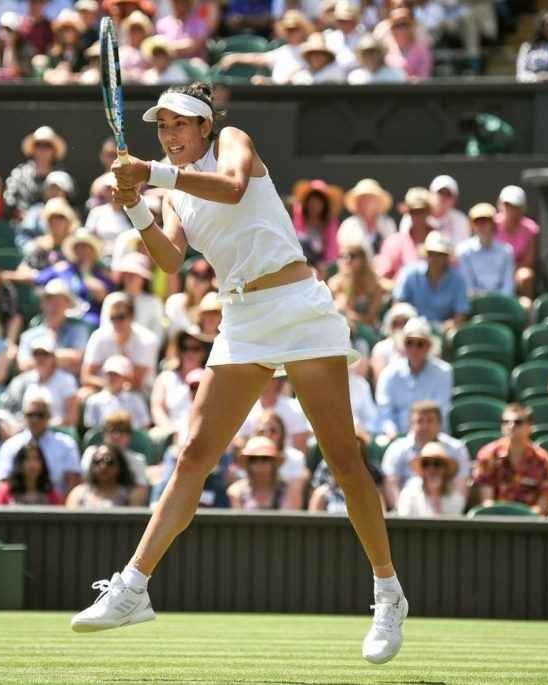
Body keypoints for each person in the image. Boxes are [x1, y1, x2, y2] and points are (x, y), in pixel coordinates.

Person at [71, 82, 408, 663]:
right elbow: (170, 259)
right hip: (242, 319)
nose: (170, 135)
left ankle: (388, 593)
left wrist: (150, 173)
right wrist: (134, 204)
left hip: (297, 306)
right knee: (192, 454)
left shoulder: (232, 142)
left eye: (180, 124)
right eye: (162, 127)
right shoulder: (172, 192)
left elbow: (230, 188)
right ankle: (133, 587)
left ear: (206, 125)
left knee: (344, 460)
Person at [380, 399, 469, 509]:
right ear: (411, 424)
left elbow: (461, 486)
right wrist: (403, 513)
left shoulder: (456, 448)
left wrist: (451, 511)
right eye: (419, 421)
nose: (425, 426)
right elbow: (391, 484)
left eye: (430, 421)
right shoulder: (396, 449)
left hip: (448, 510)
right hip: (407, 510)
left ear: (439, 424)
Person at [473, 403, 548, 514]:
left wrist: (521, 519)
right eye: (505, 422)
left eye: (518, 422)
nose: (511, 426)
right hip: (495, 518)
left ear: (530, 427)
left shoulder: (544, 461)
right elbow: (487, 502)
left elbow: (543, 507)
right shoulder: (488, 455)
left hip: (530, 521)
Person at [375, 317, 452, 436]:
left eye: (420, 344)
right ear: (403, 345)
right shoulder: (389, 373)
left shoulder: (444, 371)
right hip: (397, 437)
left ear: (429, 346)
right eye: (409, 343)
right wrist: (392, 433)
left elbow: (440, 411)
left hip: (433, 436)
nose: (414, 349)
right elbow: (384, 412)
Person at [0, 389, 81, 495]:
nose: (34, 420)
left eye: (40, 415)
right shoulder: (11, 445)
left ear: (49, 416)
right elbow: (3, 483)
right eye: (30, 415)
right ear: (23, 416)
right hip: (18, 503)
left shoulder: (66, 444)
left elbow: (73, 483)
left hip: (57, 503)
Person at [81, 293, 159, 394]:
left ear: (132, 317)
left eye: (121, 317)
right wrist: (109, 386)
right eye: (113, 318)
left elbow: (136, 383)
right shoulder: (98, 337)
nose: (116, 322)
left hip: (138, 394)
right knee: (83, 394)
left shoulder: (147, 339)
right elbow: (86, 377)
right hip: (103, 390)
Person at [394, 232, 469, 331]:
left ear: (447, 257)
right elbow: (398, 304)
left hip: (443, 330)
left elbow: (461, 313)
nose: (434, 258)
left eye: (439, 254)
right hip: (410, 329)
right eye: (431, 253)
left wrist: (451, 324)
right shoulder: (410, 274)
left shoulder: (458, 281)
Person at [0, 335, 79, 427]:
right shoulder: (22, 381)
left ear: (53, 357)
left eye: (45, 354)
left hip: (57, 431)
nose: (41, 359)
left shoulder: (67, 381)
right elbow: (7, 410)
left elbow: (72, 418)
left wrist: (44, 425)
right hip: (26, 430)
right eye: (36, 354)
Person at [16, 279, 94, 374]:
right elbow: (23, 365)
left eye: (58, 302)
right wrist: (59, 358)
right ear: (42, 304)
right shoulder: (29, 335)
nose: (53, 306)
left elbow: (77, 359)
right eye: (49, 301)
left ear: (67, 304)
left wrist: (39, 359)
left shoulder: (78, 330)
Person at [215, 10, 309, 85]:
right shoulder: (283, 51)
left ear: (303, 29)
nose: (291, 33)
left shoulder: (310, 48)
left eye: (295, 29)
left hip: (302, 92)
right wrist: (234, 57)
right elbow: (258, 58)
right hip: (279, 93)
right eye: (288, 30)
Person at [150, 329, 210, 443]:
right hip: (172, 437)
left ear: (203, 352)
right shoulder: (165, 377)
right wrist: (171, 431)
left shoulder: (210, 378)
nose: (189, 353)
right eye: (184, 348)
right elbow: (157, 409)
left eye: (195, 348)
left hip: (203, 435)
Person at [233, 372, 312, 455]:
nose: (262, 382)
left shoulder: (295, 408)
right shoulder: (246, 408)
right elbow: (240, 442)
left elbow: (300, 448)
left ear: (279, 382)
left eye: (268, 378)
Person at [4, 125, 67, 220]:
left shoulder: (61, 176)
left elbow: (68, 206)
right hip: (22, 224)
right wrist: (22, 215)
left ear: (54, 150)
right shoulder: (19, 174)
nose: (42, 149)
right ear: (33, 149)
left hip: (52, 223)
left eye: (47, 145)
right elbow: (9, 199)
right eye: (38, 145)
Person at [328, 235, 389, 332]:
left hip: (368, 329)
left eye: (352, 255)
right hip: (344, 327)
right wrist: (349, 283)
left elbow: (370, 317)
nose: (347, 260)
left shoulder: (373, 284)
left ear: (362, 259)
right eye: (342, 256)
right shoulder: (334, 283)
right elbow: (344, 309)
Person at [456, 202, 515, 297]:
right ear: (472, 225)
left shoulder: (506, 251)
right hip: (474, 301)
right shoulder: (463, 251)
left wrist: (497, 299)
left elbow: (508, 286)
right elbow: (467, 286)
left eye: (486, 221)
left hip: (502, 301)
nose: (482, 225)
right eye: (477, 222)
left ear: (493, 224)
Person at [66, 443, 147, 509]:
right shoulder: (79, 493)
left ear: (120, 465)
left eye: (109, 462)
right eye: (97, 461)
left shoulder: (130, 495)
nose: (103, 466)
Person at [395, 442, 465, 517]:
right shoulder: (409, 495)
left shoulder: (456, 498)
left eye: (437, 464)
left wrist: (436, 496)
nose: (431, 469)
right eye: (425, 464)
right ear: (421, 469)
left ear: (445, 468)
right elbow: (404, 521)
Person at [223, 435, 294, 510]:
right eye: (253, 459)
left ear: (274, 463)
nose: (259, 463)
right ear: (248, 463)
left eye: (265, 458)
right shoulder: (236, 491)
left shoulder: (288, 490)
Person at [494, 185, 538, 301]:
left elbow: (528, 261)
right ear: (499, 205)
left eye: (515, 206)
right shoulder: (492, 224)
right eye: (507, 205)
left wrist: (509, 270)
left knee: (526, 275)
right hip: (493, 268)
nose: (510, 209)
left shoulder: (531, 228)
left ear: (523, 208)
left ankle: (526, 309)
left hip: (516, 269)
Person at [376, 187, 430, 281]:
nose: (418, 216)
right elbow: (383, 277)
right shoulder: (393, 242)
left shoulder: (440, 239)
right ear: (408, 212)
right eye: (414, 211)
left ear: (429, 212)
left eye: (422, 211)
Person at [84, 355, 150, 431]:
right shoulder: (93, 400)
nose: (112, 378)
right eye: (109, 374)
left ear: (125, 377)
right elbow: (92, 429)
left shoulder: (136, 400)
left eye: (116, 375)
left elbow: (144, 427)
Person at [0, 441, 64, 505]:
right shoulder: (5, 490)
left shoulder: (50, 493)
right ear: (20, 463)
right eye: (27, 459)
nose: (32, 464)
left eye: (36, 459)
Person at [338, 178, 396, 254]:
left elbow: (393, 250)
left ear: (378, 203)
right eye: (362, 199)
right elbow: (344, 253)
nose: (366, 203)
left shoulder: (388, 223)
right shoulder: (348, 225)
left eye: (370, 199)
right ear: (357, 203)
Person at [114, 253, 164, 341]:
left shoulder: (154, 302)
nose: (130, 278)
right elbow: (106, 329)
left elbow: (158, 332)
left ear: (143, 279)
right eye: (127, 274)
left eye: (134, 274)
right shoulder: (113, 299)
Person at [164, 258, 214, 335]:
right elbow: (171, 333)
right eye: (194, 274)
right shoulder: (174, 301)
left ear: (210, 283)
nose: (196, 281)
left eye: (203, 277)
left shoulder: (213, 308)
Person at [380, 8, 431, 81]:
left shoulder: (422, 49)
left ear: (412, 25)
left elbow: (424, 76)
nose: (401, 28)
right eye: (396, 25)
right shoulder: (384, 47)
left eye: (404, 24)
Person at [370, 302, 416, 383]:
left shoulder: (422, 346)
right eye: (395, 323)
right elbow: (380, 382)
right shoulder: (381, 348)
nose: (400, 327)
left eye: (405, 322)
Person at [0, 11, 33, 79]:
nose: (4, 33)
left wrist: (9, 47)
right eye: (2, 28)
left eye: (9, 30)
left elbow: (13, 72)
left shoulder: (26, 50)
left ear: (17, 33)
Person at [40, 9, 87, 84]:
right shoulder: (52, 51)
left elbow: (86, 71)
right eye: (65, 30)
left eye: (72, 29)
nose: (68, 33)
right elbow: (48, 72)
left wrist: (73, 77)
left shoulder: (84, 51)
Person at [427, 175, 468, 247]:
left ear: (455, 200)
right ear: (430, 194)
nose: (443, 197)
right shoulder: (416, 216)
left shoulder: (460, 220)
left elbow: (460, 248)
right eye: (440, 192)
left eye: (448, 194)